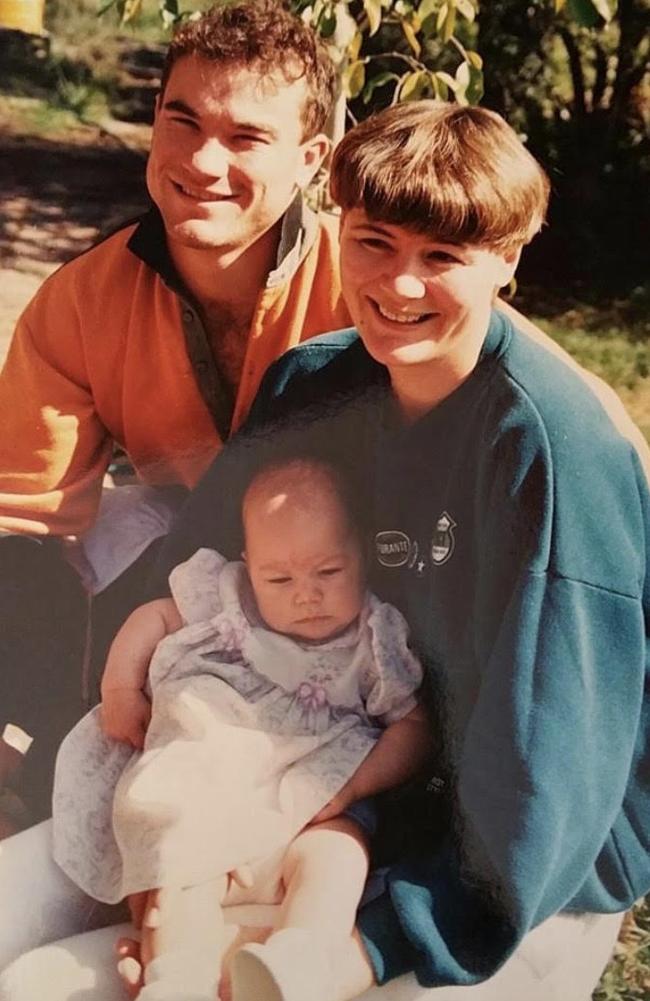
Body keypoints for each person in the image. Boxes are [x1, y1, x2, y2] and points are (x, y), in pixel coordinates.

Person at [0, 100, 645, 1001]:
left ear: (509, 257)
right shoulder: (317, 381)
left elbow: (553, 776)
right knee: (24, 958)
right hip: (283, 767)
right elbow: (198, 582)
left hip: (492, 869)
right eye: (374, 241)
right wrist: (167, 842)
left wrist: (367, 945)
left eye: (443, 257)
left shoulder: (550, 454)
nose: (400, 285)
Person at [0, 0, 350, 824]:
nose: (201, 160)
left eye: (246, 137)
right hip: (186, 562)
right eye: (181, 121)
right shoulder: (84, 298)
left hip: (349, 597)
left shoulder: (365, 286)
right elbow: (21, 512)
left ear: (313, 158)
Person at [51, 454, 429, 1001]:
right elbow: (153, 618)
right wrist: (120, 689)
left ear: (362, 555)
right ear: (250, 566)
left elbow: (413, 726)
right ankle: (176, 978)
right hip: (207, 804)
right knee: (179, 883)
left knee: (339, 855)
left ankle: (296, 959)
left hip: (307, 811)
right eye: (279, 577)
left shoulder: (374, 638)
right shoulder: (227, 599)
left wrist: (351, 787)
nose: (306, 594)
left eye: (329, 571)